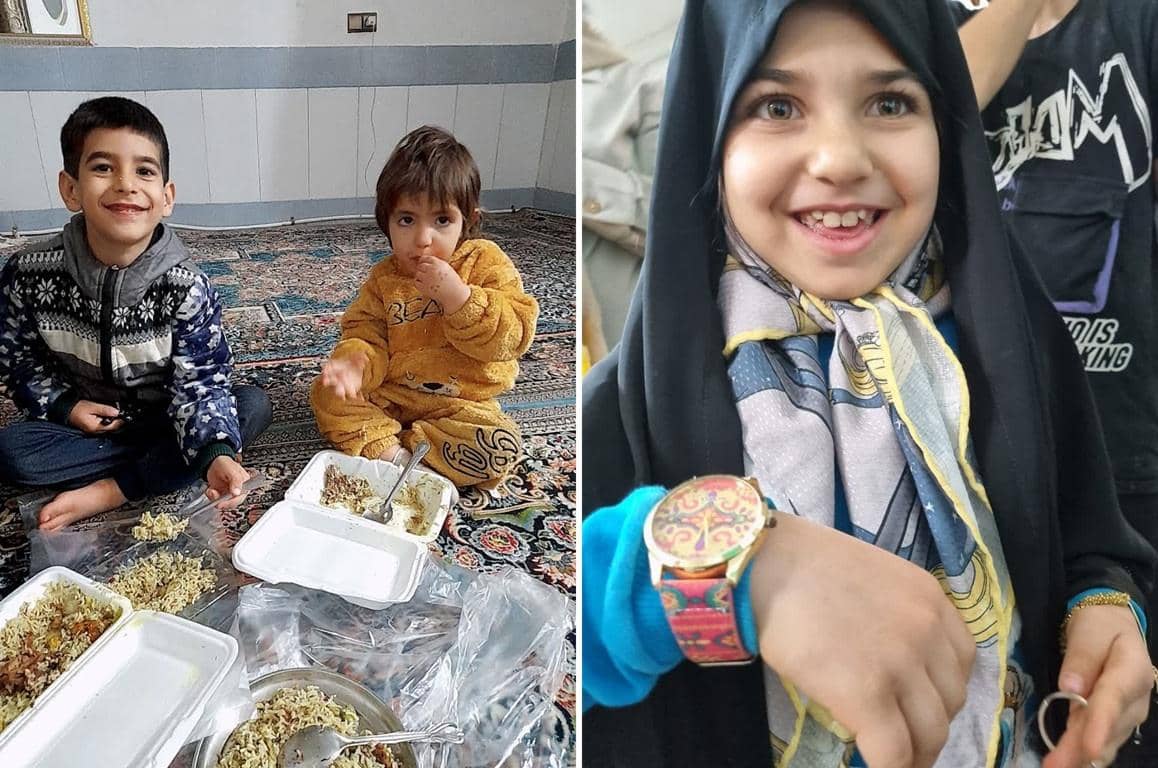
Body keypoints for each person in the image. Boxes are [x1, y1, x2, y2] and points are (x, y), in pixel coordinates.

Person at [581, 1, 1157, 766]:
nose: (840, 158)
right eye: (777, 106)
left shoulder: (1009, 341)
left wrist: (1106, 612)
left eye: (890, 103)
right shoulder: (646, 392)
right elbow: (546, 629)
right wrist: (737, 568)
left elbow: (1092, 545)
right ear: (710, 136)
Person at [950, 3, 1158, 761]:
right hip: (970, 446)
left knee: (1115, 711)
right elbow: (944, 102)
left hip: (1122, 438)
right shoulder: (926, 26)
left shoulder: (1134, 24)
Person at [0, 96, 272, 531]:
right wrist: (66, 406)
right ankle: (161, 467)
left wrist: (214, 452)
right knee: (12, 450)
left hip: (171, 417)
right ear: (71, 189)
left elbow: (201, 385)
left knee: (248, 408)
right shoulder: (28, 274)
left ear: (166, 197)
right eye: (103, 167)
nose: (126, 184)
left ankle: (114, 488)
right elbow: (17, 359)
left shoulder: (186, 287)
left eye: (144, 170)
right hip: (89, 428)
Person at [311, 126, 538, 492]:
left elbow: (512, 337)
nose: (423, 238)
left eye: (442, 220)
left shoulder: (485, 262)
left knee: (499, 447)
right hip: (394, 396)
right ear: (385, 221)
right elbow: (365, 334)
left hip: (460, 404)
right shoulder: (384, 279)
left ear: (468, 219)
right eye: (406, 220)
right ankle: (397, 458)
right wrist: (354, 364)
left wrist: (460, 299)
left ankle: (409, 450)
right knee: (328, 394)